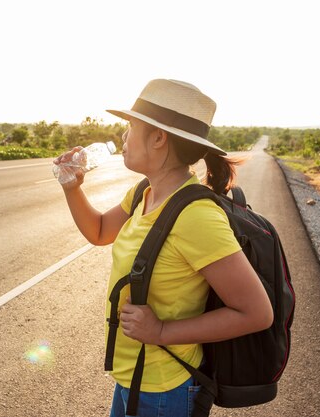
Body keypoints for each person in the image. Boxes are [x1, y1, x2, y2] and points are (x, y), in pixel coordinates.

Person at [54, 79, 273, 417]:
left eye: (131, 127)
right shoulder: (143, 192)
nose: (124, 137)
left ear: (159, 137)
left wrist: (160, 331)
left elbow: (256, 312)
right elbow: (98, 231)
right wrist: (71, 187)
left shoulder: (196, 216)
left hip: (165, 389)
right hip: (132, 378)